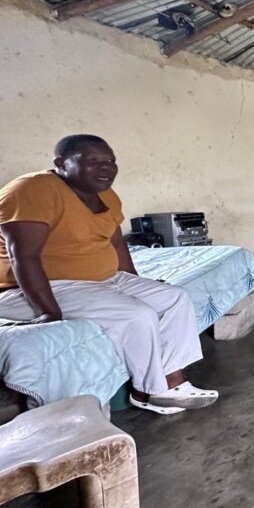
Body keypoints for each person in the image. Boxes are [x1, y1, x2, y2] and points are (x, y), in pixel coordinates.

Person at [0, 134, 218, 415]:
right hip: (41, 286)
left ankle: (170, 378)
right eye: (92, 161)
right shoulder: (32, 190)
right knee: (137, 315)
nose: (106, 167)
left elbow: (115, 243)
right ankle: (152, 390)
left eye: (110, 161)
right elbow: (23, 256)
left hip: (102, 279)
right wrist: (48, 312)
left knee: (175, 298)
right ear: (61, 163)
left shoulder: (106, 195)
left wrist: (137, 282)